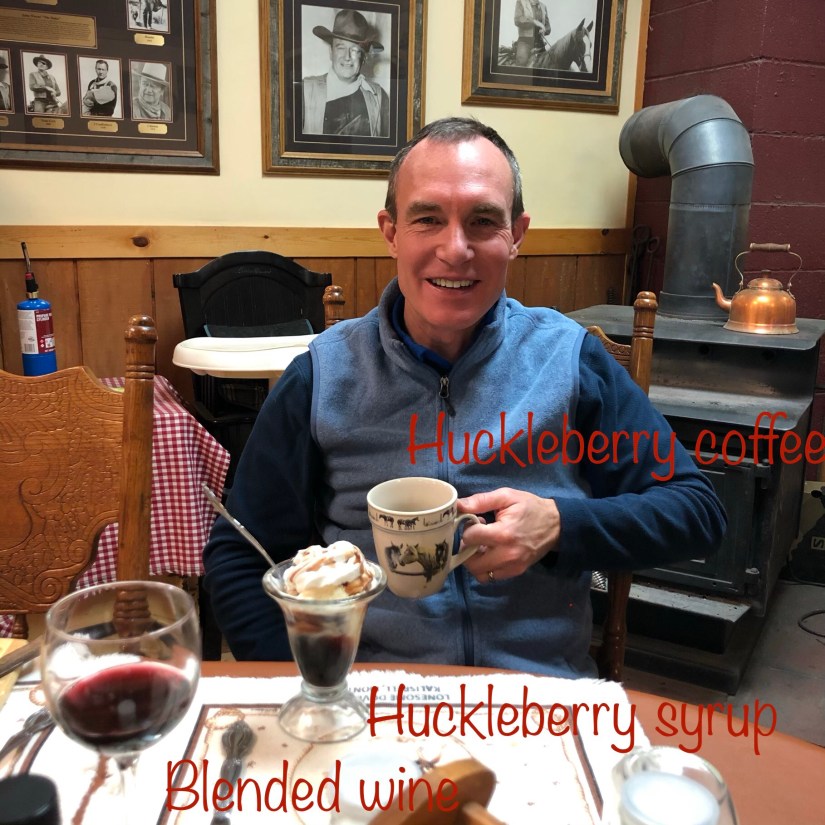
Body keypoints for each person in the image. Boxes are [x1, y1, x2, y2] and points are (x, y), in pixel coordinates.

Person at [203, 117, 726, 678]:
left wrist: (560, 526)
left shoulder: (571, 361)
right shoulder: (322, 376)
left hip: (535, 693)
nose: (455, 250)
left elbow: (696, 510)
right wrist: (308, 683)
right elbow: (240, 554)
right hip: (372, 695)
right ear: (391, 232)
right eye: (428, 219)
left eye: (483, 221)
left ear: (516, 234)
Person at [302, 9, 389, 137]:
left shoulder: (379, 97)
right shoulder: (304, 91)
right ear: (331, 52)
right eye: (341, 48)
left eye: (354, 49)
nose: (347, 57)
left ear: (363, 56)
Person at [514, 0, 551, 66]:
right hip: (525, 42)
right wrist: (534, 22)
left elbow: (548, 27)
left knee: (549, 63)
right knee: (522, 62)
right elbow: (517, 20)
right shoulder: (521, 2)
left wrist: (544, 30)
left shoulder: (543, 6)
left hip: (540, 43)